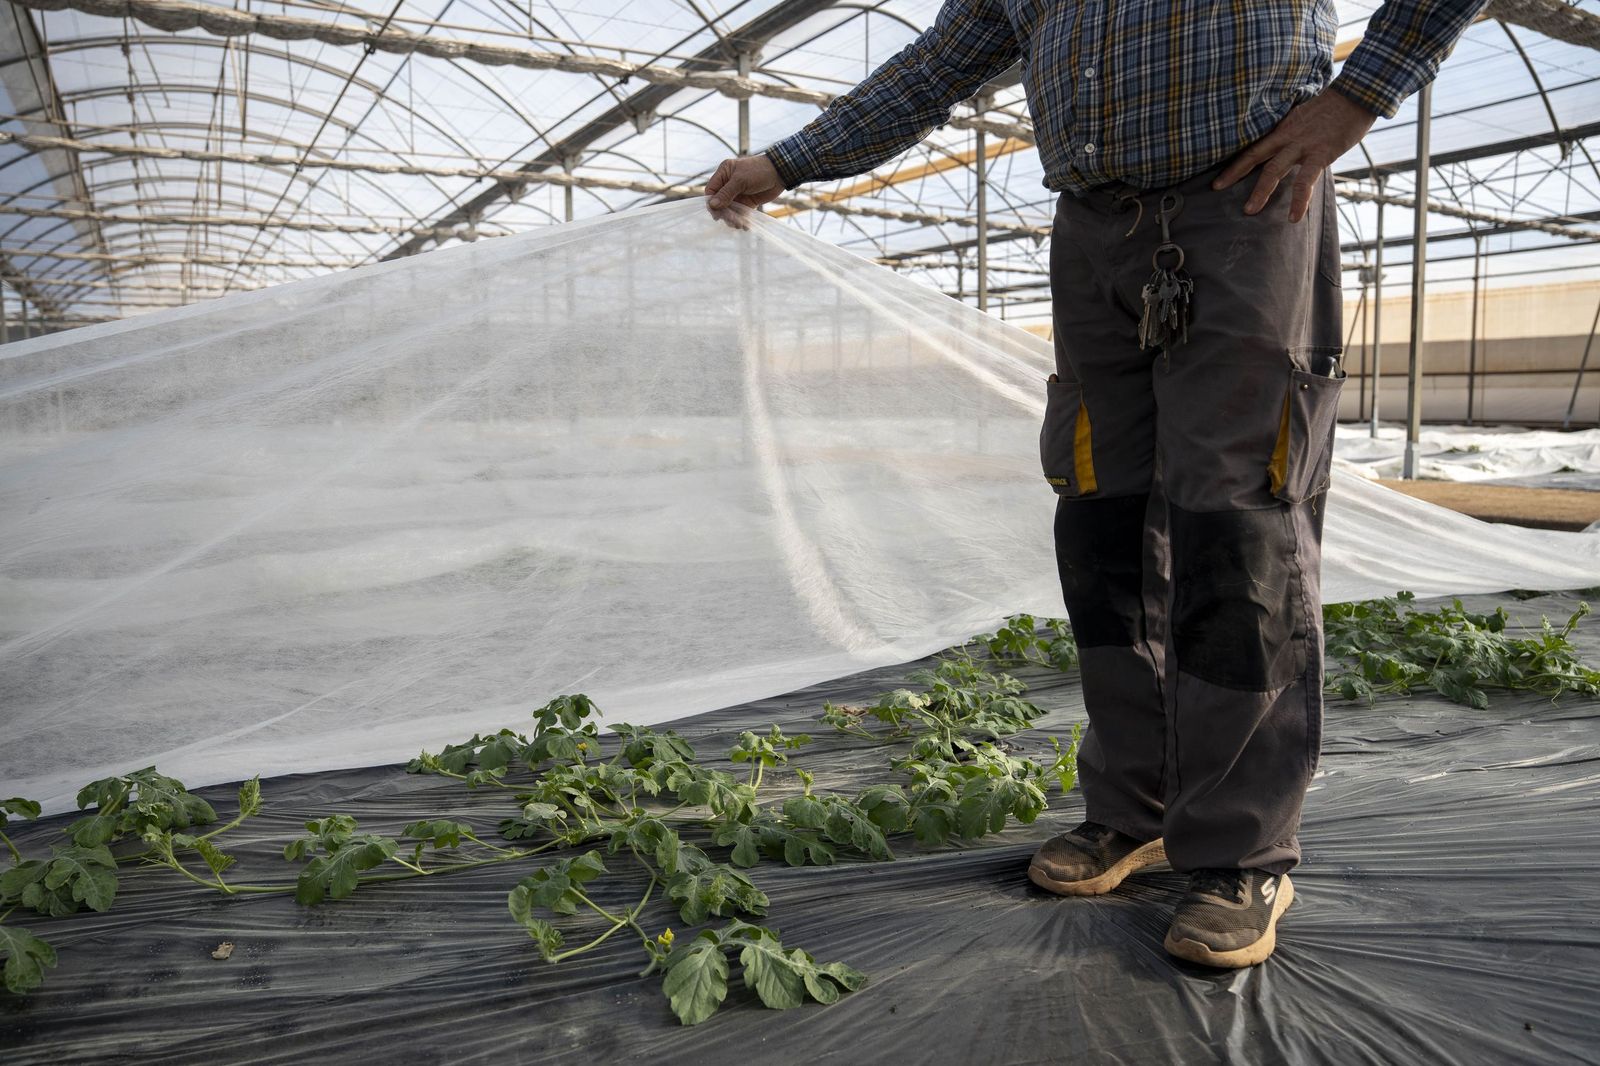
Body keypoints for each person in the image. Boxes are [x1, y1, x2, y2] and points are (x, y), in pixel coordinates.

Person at [705, 0, 1488, 969]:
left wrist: (1360, 95)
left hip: (1246, 204)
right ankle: (1136, 809)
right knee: (1101, 524)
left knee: (1234, 528)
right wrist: (787, 162)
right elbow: (933, 68)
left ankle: (1239, 850)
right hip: (1095, 232)